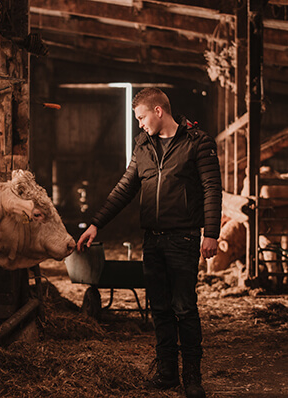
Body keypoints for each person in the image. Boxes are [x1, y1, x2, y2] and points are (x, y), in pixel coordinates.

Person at [77, 88, 221, 398]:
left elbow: (212, 189)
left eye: (141, 118)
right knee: (159, 308)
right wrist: (96, 224)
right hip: (152, 240)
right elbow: (124, 188)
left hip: (184, 238)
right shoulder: (143, 147)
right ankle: (167, 373)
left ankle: (192, 377)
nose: (140, 124)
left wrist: (211, 233)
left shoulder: (198, 143)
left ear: (158, 111)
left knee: (184, 306)